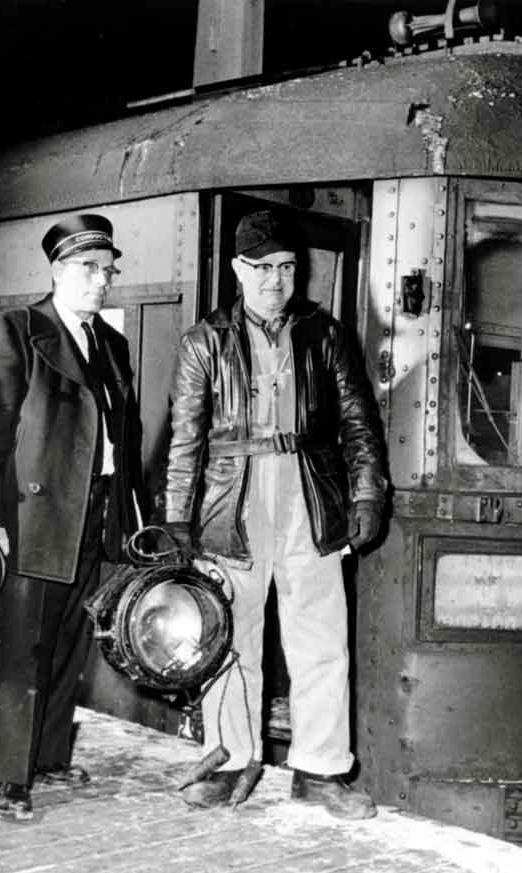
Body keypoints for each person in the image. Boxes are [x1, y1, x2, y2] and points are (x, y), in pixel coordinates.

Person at [163, 209, 388, 820]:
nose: (275, 280)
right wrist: (178, 519)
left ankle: (320, 770)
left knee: (321, 638)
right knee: (228, 637)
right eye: (262, 268)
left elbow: (359, 424)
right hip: (230, 502)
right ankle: (229, 760)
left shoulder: (326, 334)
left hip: (309, 497)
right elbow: (185, 439)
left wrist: (367, 495)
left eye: (286, 267)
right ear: (238, 270)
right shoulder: (205, 341)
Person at [0, 214, 146, 823]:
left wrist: (133, 515)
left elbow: (124, 435)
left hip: (96, 511)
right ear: (57, 271)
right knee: (24, 649)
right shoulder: (16, 330)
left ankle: (49, 756)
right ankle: (10, 777)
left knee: (69, 643)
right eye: (89, 268)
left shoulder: (110, 344)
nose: (101, 281)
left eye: (109, 270)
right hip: (33, 515)